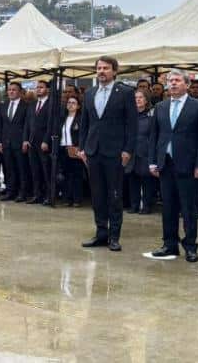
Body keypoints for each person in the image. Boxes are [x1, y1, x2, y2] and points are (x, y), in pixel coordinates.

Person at [148, 69, 198, 262]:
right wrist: (153, 161)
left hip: (188, 164)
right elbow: (154, 136)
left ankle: (190, 246)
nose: (173, 83)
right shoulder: (160, 107)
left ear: (187, 84)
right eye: (170, 81)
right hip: (165, 163)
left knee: (188, 207)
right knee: (168, 206)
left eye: (177, 80)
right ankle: (169, 244)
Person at [78, 56, 137, 251]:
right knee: (97, 195)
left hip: (115, 152)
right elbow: (85, 122)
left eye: (106, 68)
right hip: (93, 151)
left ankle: (114, 236)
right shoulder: (90, 93)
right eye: (99, 68)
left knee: (114, 195)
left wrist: (128, 150)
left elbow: (132, 125)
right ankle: (101, 233)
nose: (101, 71)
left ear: (115, 71)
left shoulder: (126, 92)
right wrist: (82, 148)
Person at [23, 79, 55, 206]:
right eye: (37, 87)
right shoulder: (32, 104)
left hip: (44, 143)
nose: (38, 89)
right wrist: (25, 139)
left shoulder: (52, 104)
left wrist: (46, 140)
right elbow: (27, 124)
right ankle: (37, 195)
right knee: (35, 170)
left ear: (48, 89)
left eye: (41, 87)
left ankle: (49, 196)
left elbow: (51, 124)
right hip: (32, 143)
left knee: (46, 171)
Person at [126, 89, 157, 215]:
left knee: (147, 181)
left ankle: (146, 206)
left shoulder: (151, 116)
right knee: (132, 180)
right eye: (135, 97)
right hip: (131, 153)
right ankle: (134, 205)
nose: (137, 100)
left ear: (146, 100)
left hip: (145, 153)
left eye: (140, 97)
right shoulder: (129, 116)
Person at [0, 82, 30, 202]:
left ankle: (23, 193)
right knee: (9, 169)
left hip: (19, 142)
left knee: (21, 169)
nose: (11, 92)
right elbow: (0, 125)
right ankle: (11, 191)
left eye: (14, 90)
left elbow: (27, 125)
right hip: (6, 142)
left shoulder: (26, 106)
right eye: (9, 89)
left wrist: (25, 140)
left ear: (20, 92)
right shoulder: (4, 105)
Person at [58, 96, 84, 207]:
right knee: (66, 174)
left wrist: (80, 147)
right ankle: (67, 198)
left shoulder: (80, 119)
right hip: (63, 148)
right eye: (69, 102)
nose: (70, 105)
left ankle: (77, 199)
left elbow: (83, 134)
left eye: (73, 103)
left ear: (78, 106)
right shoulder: (63, 118)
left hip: (75, 149)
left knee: (77, 175)